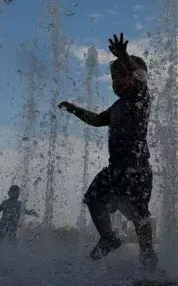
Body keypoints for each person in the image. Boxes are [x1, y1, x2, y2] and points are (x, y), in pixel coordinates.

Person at [58, 33, 157, 270]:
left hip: (136, 169)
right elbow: (95, 120)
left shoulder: (140, 99)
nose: (117, 81)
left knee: (139, 214)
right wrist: (74, 110)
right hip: (115, 169)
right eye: (114, 77)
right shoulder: (115, 107)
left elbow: (142, 80)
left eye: (123, 75)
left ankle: (148, 254)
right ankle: (108, 237)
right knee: (93, 199)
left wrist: (123, 55)